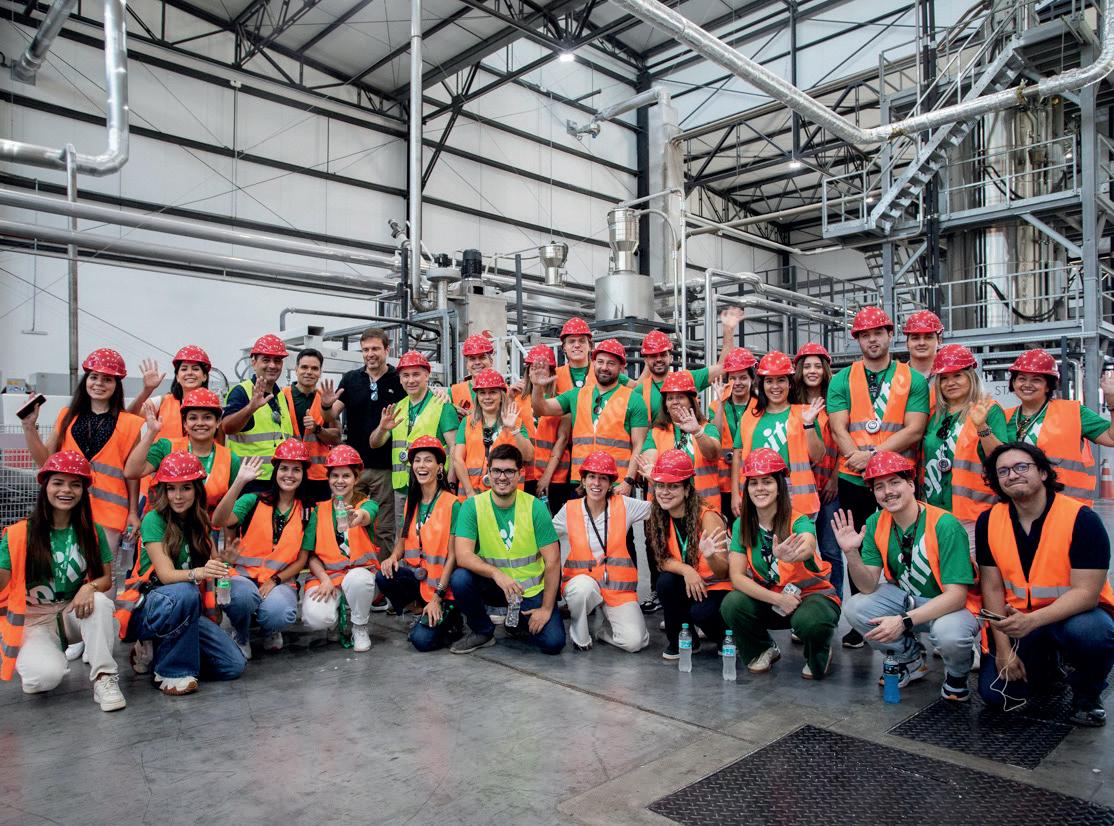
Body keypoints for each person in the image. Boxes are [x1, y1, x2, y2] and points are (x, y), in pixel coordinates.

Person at [976, 442, 1114, 726]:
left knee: (1093, 633)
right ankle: (1049, 669)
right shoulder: (988, 521)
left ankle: (1087, 695)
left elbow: (1087, 594)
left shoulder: (1082, 520)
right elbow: (992, 588)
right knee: (995, 695)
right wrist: (1003, 650)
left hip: (1073, 616)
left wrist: (1032, 621)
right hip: (1022, 621)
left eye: (1021, 467)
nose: (1013, 475)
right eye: (1003, 471)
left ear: (1042, 472)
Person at [835, 451, 981, 701]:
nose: (888, 492)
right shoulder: (875, 522)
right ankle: (910, 659)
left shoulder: (945, 525)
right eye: (879, 487)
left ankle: (957, 674)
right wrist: (851, 553)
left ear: (911, 485)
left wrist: (903, 621)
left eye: (894, 482)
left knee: (949, 635)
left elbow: (957, 597)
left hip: (951, 608)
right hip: (909, 601)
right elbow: (867, 586)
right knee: (856, 607)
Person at [827, 306, 930, 648]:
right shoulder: (842, 379)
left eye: (877, 333)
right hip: (854, 478)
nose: (872, 340)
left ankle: (908, 615)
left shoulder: (912, 379)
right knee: (856, 545)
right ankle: (862, 620)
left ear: (890, 335)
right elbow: (839, 427)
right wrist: (855, 459)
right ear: (857, 339)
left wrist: (872, 456)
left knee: (906, 546)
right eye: (865, 335)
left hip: (897, 479)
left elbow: (914, 429)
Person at [0, 452, 125, 710]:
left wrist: (89, 587)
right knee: (42, 679)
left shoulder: (92, 531)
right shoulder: (18, 533)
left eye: (75, 484)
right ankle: (46, 657)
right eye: (58, 482)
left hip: (71, 613)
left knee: (100, 602)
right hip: (34, 621)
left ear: (83, 491)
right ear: (45, 486)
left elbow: (105, 579)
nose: (66, 490)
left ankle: (104, 678)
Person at [116, 451, 246, 696]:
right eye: (171, 488)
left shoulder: (201, 520)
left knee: (232, 665)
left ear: (196, 489)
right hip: (150, 607)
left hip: (186, 609)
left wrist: (224, 562)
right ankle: (171, 672)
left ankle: (160, 648)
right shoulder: (153, 519)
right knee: (185, 592)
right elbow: (166, 575)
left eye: (185, 488)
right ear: (163, 491)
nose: (177, 496)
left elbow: (211, 566)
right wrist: (200, 572)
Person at [720, 449, 839, 679]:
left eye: (767, 482)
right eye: (754, 483)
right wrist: (778, 600)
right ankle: (763, 649)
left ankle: (820, 651)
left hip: (810, 598)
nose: (760, 488)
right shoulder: (741, 525)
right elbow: (737, 577)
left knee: (811, 622)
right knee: (732, 603)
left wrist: (794, 555)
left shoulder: (798, 519)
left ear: (779, 486)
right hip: (775, 599)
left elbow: (808, 542)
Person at [22, 348, 144, 554]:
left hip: (109, 515)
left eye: (107, 379)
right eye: (93, 377)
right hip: (66, 509)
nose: (99, 383)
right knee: (64, 567)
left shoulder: (131, 423)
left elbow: (132, 476)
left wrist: (133, 512)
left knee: (103, 571)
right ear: (85, 380)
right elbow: (45, 462)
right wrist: (29, 427)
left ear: (116, 385)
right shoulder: (66, 417)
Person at [448, 444, 566, 655]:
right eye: (496, 471)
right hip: (494, 586)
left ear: (520, 473)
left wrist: (546, 608)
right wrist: (497, 574)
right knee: (460, 578)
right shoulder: (472, 506)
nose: (502, 477)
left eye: (509, 471)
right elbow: (463, 556)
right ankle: (482, 631)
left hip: (529, 590)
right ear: (488, 472)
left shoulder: (535, 507)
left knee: (553, 643)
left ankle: (517, 622)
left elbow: (553, 561)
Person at [211, 439, 314, 659]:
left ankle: (270, 629)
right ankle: (241, 634)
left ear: (303, 474)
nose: (289, 475)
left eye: (296, 469)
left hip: (279, 581)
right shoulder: (253, 500)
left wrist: (275, 580)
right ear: (275, 471)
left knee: (280, 613)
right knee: (242, 597)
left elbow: (301, 560)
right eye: (284, 468)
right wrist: (239, 482)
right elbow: (219, 520)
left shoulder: (307, 511)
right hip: (242, 578)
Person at [553, 451, 651, 652]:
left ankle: (603, 632)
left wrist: (654, 481)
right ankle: (580, 636)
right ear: (583, 480)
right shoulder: (570, 509)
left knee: (635, 643)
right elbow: (544, 535)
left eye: (603, 478)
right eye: (591, 477)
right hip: (582, 584)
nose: (596, 483)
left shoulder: (624, 505)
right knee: (582, 590)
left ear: (610, 483)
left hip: (617, 590)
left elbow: (659, 508)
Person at [377, 436, 464, 652]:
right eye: (417, 461)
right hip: (420, 582)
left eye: (428, 460)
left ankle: (451, 620)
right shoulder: (412, 501)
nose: (421, 466)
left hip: (444, 590)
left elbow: (453, 557)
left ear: (439, 467)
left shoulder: (452, 504)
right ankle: (419, 611)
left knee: (421, 642)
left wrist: (437, 597)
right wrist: (392, 558)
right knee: (383, 575)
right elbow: (402, 541)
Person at [530, 338, 648, 494]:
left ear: (622, 367)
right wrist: (537, 387)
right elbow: (542, 409)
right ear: (593, 363)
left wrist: (628, 481)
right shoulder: (576, 395)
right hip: (581, 482)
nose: (604, 367)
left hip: (617, 483)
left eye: (611, 363)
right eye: (600, 362)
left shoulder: (634, 399)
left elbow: (639, 445)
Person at [643, 449, 730, 660]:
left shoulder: (707, 517)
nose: (665, 492)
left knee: (701, 612)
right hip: (692, 582)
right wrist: (687, 570)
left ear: (686, 490)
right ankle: (684, 640)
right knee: (665, 582)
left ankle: (725, 638)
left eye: (673, 486)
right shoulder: (658, 514)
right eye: (660, 486)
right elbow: (662, 559)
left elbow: (724, 571)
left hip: (718, 587)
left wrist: (710, 556)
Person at [1002, 349, 1114, 503]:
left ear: (1048, 386)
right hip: (1020, 505)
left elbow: (1111, 438)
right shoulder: (1004, 417)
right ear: (1014, 383)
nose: (1027, 384)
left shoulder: (1073, 412)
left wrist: (1112, 401)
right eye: (1021, 378)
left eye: (1036, 380)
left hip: (1066, 506)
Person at [922, 345, 1007, 540]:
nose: (950, 383)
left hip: (975, 512)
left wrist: (982, 426)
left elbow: (1001, 458)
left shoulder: (990, 410)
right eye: (944, 378)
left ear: (971, 376)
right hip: (935, 509)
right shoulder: (934, 415)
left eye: (958, 376)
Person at [331, 328, 405, 555]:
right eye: (365, 350)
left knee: (383, 526)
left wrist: (442, 395)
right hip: (353, 469)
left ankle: (382, 570)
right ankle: (347, 563)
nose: (370, 354)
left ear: (387, 349)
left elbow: (417, 397)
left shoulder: (399, 379)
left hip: (385, 468)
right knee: (345, 521)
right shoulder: (351, 379)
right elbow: (332, 413)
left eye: (375, 349)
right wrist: (325, 405)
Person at [301, 445, 380, 653]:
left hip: (360, 577)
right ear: (328, 478)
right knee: (315, 618)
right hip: (329, 577)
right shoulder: (319, 511)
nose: (340, 481)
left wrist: (358, 517)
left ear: (356, 478)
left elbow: (367, 514)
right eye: (335, 475)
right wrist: (324, 579)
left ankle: (359, 626)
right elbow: (311, 556)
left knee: (357, 580)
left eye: (346, 476)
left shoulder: (366, 504)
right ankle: (334, 619)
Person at [730, 351, 825, 519]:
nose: (775, 386)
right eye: (769, 381)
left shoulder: (804, 413)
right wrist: (735, 494)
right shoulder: (749, 416)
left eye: (781, 380)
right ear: (762, 385)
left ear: (790, 384)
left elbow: (818, 455)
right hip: (758, 491)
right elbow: (738, 455)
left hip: (797, 497)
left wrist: (809, 425)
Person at [369, 351, 459, 510]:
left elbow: (455, 448)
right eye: (405, 375)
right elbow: (374, 444)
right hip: (402, 488)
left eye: (416, 374)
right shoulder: (398, 408)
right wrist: (382, 429)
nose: (410, 380)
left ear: (426, 376)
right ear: (400, 379)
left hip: (433, 487)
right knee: (403, 527)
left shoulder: (443, 406)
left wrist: (450, 483)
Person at [125, 388, 240, 512]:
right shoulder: (166, 447)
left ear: (218, 422)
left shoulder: (230, 459)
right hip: (163, 521)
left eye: (207, 418)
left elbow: (230, 506)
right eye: (193, 418)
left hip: (207, 523)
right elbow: (131, 472)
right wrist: (151, 433)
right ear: (185, 424)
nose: (200, 423)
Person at [791, 342, 843, 597]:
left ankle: (835, 598)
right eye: (807, 366)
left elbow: (844, 441)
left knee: (831, 549)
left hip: (828, 486)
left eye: (817, 366)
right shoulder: (791, 402)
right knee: (802, 548)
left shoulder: (836, 401)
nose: (812, 371)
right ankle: (806, 598)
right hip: (801, 489)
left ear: (825, 369)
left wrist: (835, 478)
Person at [633, 306, 742, 420]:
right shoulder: (640, 391)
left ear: (671, 358)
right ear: (646, 360)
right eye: (653, 356)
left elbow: (723, 367)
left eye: (663, 355)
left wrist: (728, 330)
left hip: (692, 431)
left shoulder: (687, 378)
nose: (659, 359)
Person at [223, 334, 295, 494]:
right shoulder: (241, 392)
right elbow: (227, 427)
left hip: (277, 480)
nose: (272, 365)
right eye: (266, 360)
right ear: (253, 362)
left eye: (277, 360)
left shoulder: (281, 396)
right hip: (249, 481)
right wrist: (250, 408)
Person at [641, 371, 722, 513]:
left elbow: (713, 454)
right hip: (665, 510)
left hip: (704, 509)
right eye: (670, 398)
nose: (675, 401)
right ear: (665, 405)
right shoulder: (655, 433)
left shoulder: (707, 428)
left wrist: (697, 432)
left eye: (680, 397)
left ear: (691, 401)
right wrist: (653, 475)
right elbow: (649, 464)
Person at [453, 369, 534, 496]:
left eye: (492, 392)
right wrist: (469, 492)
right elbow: (458, 459)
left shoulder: (515, 422)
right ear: (477, 397)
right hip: (472, 495)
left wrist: (513, 429)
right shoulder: (467, 422)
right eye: (482, 393)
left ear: (502, 396)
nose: (487, 397)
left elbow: (528, 456)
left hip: (507, 496)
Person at [281, 348, 343, 503]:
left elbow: (336, 438)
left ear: (320, 372)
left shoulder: (326, 399)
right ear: (296, 369)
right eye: (304, 367)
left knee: (318, 517)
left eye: (314, 368)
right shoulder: (281, 397)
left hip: (318, 476)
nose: (309, 372)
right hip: (288, 474)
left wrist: (317, 429)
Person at [519, 344, 571, 511]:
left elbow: (562, 440)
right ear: (528, 372)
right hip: (525, 475)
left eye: (544, 368)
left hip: (554, 477)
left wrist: (546, 476)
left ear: (551, 372)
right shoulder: (518, 400)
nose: (538, 372)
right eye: (533, 368)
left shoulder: (561, 402)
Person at [127, 345, 213, 439]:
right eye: (184, 369)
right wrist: (147, 390)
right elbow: (128, 416)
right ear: (177, 377)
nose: (189, 373)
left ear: (204, 376)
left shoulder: (214, 406)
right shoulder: (161, 402)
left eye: (195, 369)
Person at [710, 347, 757, 517]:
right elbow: (714, 434)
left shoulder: (761, 406)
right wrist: (721, 404)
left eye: (743, 377)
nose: (737, 383)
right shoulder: (716, 406)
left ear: (752, 379)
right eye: (732, 378)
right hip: (722, 484)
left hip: (753, 480)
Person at [451, 334, 496, 417]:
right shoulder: (453, 392)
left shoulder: (505, 391)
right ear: (467, 365)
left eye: (482, 357)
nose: (477, 362)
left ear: (491, 361)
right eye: (472, 359)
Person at [555, 316, 597, 392]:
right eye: (571, 341)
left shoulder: (602, 372)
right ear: (564, 348)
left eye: (582, 341)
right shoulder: (555, 375)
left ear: (590, 346)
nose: (577, 345)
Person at [903, 310, 944, 381]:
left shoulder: (948, 376)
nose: (922, 343)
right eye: (915, 338)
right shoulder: (895, 377)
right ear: (907, 343)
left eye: (928, 337)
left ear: (939, 341)